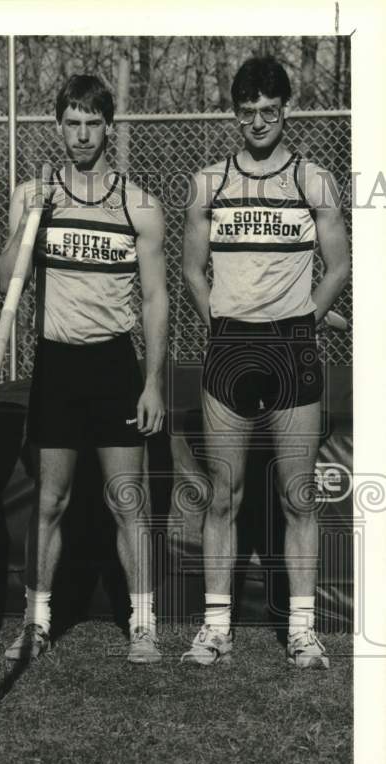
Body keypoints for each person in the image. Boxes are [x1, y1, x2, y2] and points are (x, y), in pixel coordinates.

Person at [181, 56, 350, 669]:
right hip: (230, 348)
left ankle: (302, 631)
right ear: (235, 113)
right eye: (248, 111)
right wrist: (222, 323)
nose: (258, 122)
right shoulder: (209, 183)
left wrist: (303, 320)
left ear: (286, 111)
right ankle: (215, 628)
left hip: (292, 349)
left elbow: (338, 266)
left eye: (269, 111)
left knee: (298, 496)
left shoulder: (314, 181)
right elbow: (191, 270)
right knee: (223, 495)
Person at [0, 74, 169, 665]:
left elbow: (156, 298)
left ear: (109, 127)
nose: (82, 135)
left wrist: (152, 381)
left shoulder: (139, 204)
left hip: (113, 363)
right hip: (57, 364)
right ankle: (36, 621)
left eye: (93, 123)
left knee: (127, 499)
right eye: (72, 123)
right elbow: (4, 279)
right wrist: (30, 220)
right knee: (50, 501)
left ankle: (142, 624)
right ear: (58, 126)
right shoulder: (33, 195)